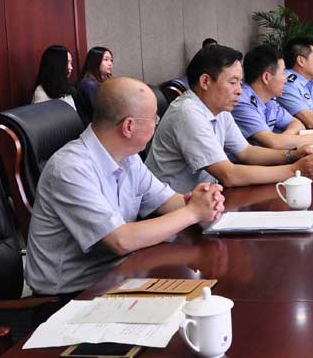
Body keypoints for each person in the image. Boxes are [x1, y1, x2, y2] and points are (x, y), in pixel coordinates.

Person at [23, 77, 226, 295]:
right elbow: (121, 240)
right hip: (72, 296)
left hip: (120, 274)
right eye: (154, 118)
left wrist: (203, 200)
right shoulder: (70, 169)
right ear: (129, 126)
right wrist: (193, 212)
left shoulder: (128, 158)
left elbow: (167, 201)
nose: (157, 123)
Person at [146, 45, 313, 193]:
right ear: (205, 82)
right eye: (232, 82)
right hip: (172, 210)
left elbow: (246, 152)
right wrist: (294, 169)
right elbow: (228, 175)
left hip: (205, 200)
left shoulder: (220, 109)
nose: (240, 90)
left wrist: (291, 155)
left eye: (240, 82)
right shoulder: (187, 112)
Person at [232, 44, 313, 150]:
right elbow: (273, 142)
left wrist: (284, 139)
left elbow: (297, 124)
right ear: (266, 77)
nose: (285, 79)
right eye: (283, 73)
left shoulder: (269, 100)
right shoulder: (242, 102)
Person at [31, 45, 76, 109]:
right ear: (56, 66)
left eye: (71, 62)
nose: (71, 67)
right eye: (67, 63)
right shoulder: (41, 94)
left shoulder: (66, 88)